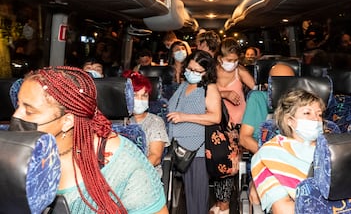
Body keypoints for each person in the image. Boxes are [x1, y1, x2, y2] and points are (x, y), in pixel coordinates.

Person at [10, 66, 167, 213]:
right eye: (18, 106)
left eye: (29, 111)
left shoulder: (124, 164)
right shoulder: (11, 149)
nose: (16, 116)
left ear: (67, 121)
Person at [251, 89, 325, 214]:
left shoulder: (333, 149)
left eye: (319, 114)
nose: (316, 119)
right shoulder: (272, 154)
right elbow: (283, 209)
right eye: (307, 113)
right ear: (290, 121)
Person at [167, 50, 222, 214]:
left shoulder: (209, 88)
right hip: (178, 148)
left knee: (197, 199)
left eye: (197, 71)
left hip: (196, 150)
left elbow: (215, 117)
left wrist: (184, 117)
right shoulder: (184, 85)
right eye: (190, 69)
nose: (192, 73)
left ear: (207, 72)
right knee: (186, 197)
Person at [239, 62, 295, 210]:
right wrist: (270, 161)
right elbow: (244, 138)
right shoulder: (258, 98)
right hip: (263, 159)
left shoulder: (301, 105)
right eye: (277, 82)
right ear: (268, 84)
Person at [211, 37, 255, 214]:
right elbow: (202, 89)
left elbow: (257, 92)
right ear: (220, 58)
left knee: (229, 159)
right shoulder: (211, 72)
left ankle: (224, 204)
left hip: (238, 124)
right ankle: (223, 201)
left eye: (236, 60)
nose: (233, 63)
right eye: (229, 60)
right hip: (216, 123)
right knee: (220, 160)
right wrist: (224, 93)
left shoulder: (240, 72)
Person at [122, 70, 170, 177]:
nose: (140, 100)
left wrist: (132, 175)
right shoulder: (117, 122)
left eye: (144, 96)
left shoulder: (155, 122)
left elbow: (155, 157)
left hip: (146, 175)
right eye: (135, 95)